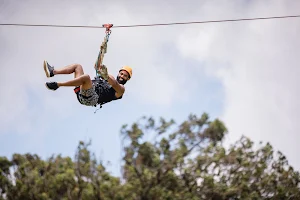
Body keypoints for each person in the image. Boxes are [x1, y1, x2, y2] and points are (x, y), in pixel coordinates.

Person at [43, 60, 132, 107]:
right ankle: (53, 72)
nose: (122, 76)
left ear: (128, 78)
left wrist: (106, 76)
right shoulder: (106, 79)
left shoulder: (121, 90)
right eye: (121, 74)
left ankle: (58, 85)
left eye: (125, 76)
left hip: (91, 98)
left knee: (86, 77)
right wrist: (99, 67)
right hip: (83, 90)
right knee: (77, 66)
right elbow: (100, 70)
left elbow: (115, 84)